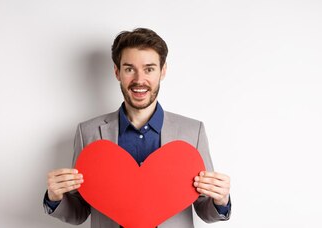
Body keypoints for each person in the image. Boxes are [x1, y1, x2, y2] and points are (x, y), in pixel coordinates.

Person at [43, 28, 232, 227]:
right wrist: (56, 198)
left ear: (163, 71)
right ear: (117, 72)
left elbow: (205, 208)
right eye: (129, 69)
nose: (139, 80)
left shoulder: (193, 132)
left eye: (149, 69)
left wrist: (221, 201)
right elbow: (79, 211)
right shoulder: (87, 132)